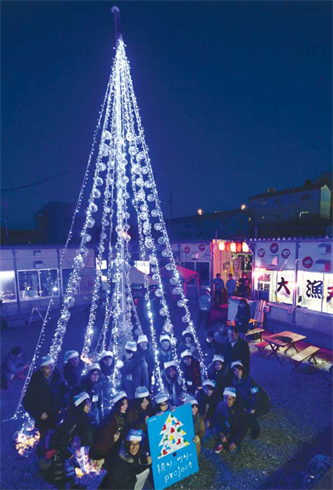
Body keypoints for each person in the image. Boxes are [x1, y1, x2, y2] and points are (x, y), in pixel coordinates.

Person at [37, 392, 94, 490]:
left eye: (90, 403)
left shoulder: (79, 416)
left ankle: (73, 485)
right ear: (81, 404)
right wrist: (69, 454)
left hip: (65, 444)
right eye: (87, 403)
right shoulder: (73, 420)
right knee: (59, 471)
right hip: (56, 447)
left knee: (69, 466)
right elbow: (60, 440)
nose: (89, 406)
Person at [23, 355, 69, 438]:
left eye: (52, 367)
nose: (50, 370)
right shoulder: (36, 380)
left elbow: (66, 390)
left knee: (57, 436)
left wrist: (63, 405)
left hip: (56, 414)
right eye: (47, 368)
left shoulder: (58, 376)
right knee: (44, 438)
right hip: (43, 418)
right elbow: (27, 401)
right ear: (42, 369)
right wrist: (39, 414)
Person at [89, 391, 129, 471]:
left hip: (110, 453)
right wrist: (113, 441)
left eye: (126, 404)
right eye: (123, 404)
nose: (125, 406)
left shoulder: (120, 418)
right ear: (118, 405)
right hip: (103, 455)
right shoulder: (112, 420)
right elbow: (102, 441)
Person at [231, 361, 270, 440]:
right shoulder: (234, 381)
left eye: (239, 370)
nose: (237, 372)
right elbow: (238, 396)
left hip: (260, 402)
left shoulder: (249, 380)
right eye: (235, 370)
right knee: (242, 412)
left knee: (251, 415)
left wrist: (253, 408)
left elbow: (255, 394)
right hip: (247, 400)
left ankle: (256, 429)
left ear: (242, 370)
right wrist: (243, 406)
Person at [213, 387, 248, 455]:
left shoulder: (240, 411)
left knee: (233, 451)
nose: (227, 401)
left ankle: (224, 443)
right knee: (213, 431)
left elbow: (243, 428)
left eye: (229, 399)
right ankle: (222, 441)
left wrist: (235, 442)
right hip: (224, 428)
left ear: (234, 399)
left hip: (234, 431)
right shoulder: (220, 405)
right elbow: (217, 419)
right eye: (225, 398)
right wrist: (221, 433)